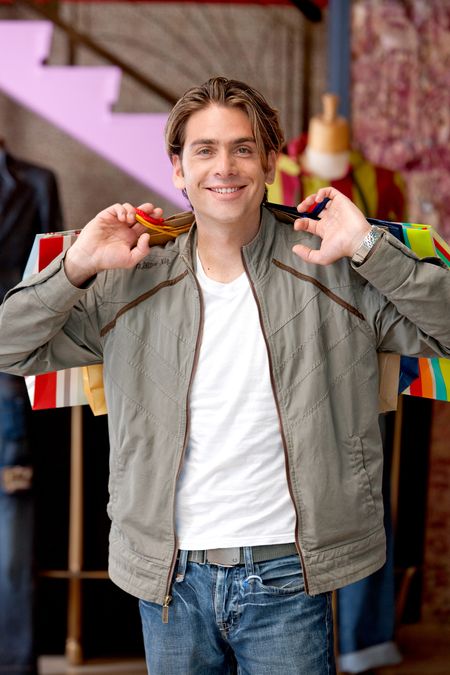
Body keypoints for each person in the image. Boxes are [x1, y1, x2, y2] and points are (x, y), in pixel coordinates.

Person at [0, 77, 449, 675]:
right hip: (170, 579)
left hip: (289, 572)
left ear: (269, 161)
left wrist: (370, 245)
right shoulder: (129, 278)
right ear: (179, 170)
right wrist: (75, 267)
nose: (225, 166)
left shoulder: (335, 268)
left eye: (243, 147)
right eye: (204, 149)